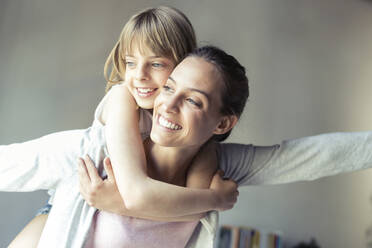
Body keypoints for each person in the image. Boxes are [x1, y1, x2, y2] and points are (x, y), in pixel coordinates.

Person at [4, 6, 237, 248]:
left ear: (183, 66)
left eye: (156, 64)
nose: (139, 75)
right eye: (130, 62)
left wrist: (115, 202)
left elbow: (194, 209)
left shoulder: (191, 134)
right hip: (63, 210)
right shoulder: (122, 98)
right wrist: (215, 199)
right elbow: (143, 194)